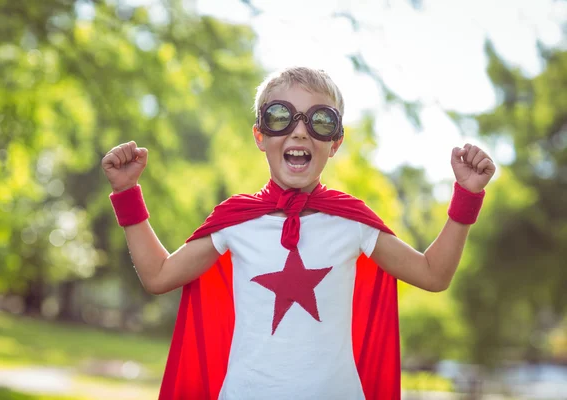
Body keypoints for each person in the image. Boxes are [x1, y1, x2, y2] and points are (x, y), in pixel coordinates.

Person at [101, 67, 496, 400]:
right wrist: (126, 193)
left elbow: (433, 274)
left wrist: (467, 195)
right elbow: (158, 276)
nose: (300, 132)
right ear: (260, 136)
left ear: (335, 142)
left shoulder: (351, 220)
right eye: (280, 117)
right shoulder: (236, 219)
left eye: (320, 121)